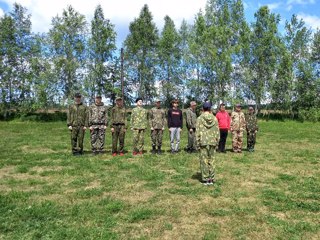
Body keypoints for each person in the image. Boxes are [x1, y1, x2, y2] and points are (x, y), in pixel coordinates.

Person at [196, 102, 220, 185]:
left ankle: (206, 179)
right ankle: (212, 178)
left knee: (204, 161)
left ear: (203, 109)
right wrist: (217, 142)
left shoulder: (199, 118)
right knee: (212, 160)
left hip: (203, 142)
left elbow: (197, 132)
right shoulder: (215, 118)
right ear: (210, 109)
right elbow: (217, 132)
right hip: (212, 141)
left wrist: (197, 142)